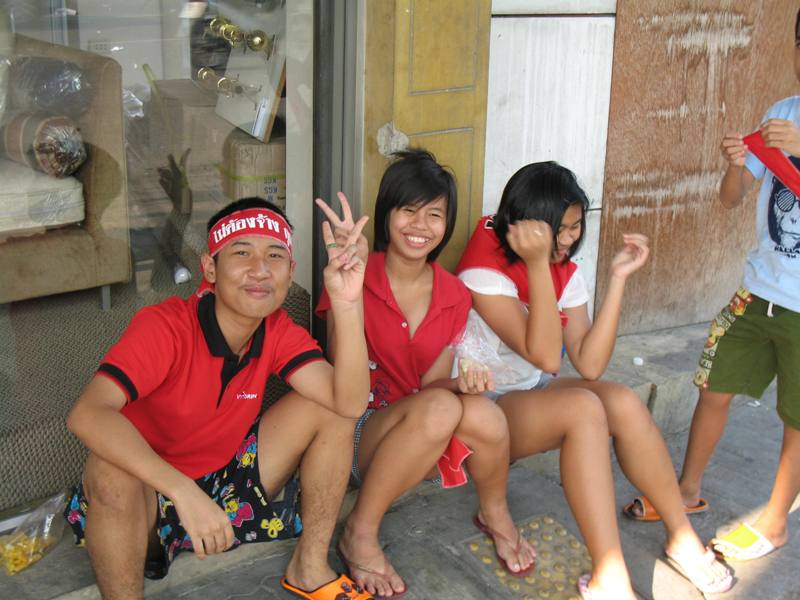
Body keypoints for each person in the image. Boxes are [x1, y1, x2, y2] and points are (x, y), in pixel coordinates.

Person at [64, 197, 375, 600]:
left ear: (291, 272)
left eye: (274, 255)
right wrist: (182, 491)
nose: (260, 269)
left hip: (228, 479)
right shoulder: (166, 327)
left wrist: (347, 302)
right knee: (108, 472)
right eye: (242, 252)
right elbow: (86, 415)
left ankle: (309, 568)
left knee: (329, 407)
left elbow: (349, 404)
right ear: (210, 268)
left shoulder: (276, 328)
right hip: (150, 494)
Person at [455, 161, 733, 599]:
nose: (568, 239)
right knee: (585, 409)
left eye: (574, 227)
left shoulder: (558, 261)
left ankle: (681, 535)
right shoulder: (483, 268)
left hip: (529, 392)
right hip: (482, 406)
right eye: (559, 229)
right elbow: (547, 355)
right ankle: (610, 574)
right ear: (528, 225)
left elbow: (588, 363)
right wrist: (537, 264)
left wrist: (619, 279)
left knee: (619, 399)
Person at [315, 150, 535, 598]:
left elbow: (431, 386)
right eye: (408, 210)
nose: (420, 226)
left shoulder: (454, 293)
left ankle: (495, 514)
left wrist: (463, 382)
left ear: (446, 223)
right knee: (440, 409)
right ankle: (360, 530)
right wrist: (350, 290)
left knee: (485, 415)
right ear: (386, 214)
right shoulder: (357, 272)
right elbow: (340, 361)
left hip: (417, 426)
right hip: (355, 429)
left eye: (434, 214)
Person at [675, 8, 800, 563]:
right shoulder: (780, 113)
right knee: (714, 386)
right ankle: (685, 493)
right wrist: (733, 163)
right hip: (758, 292)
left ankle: (774, 524)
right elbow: (731, 199)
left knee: (798, 419)